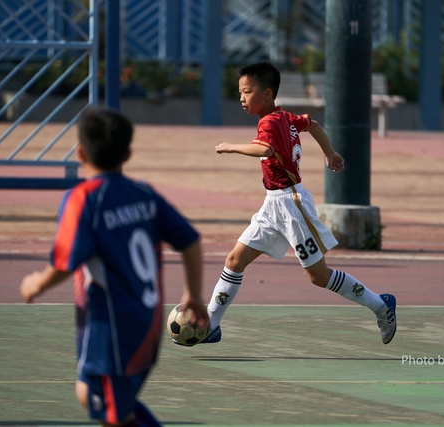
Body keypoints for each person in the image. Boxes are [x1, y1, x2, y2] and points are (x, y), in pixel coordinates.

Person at [20, 107, 209, 427]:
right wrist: (193, 294)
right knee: (94, 394)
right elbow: (190, 241)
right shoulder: (144, 194)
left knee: (111, 413)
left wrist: (37, 283)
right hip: (146, 322)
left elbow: (66, 263)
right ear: (128, 153)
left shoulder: (84, 199)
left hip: (112, 329)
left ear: (80, 152)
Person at [192, 61, 396, 346]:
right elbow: (312, 124)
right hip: (272, 205)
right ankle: (212, 325)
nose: (241, 97)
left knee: (318, 276)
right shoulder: (284, 117)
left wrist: (232, 147)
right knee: (234, 261)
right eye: (240, 92)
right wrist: (330, 153)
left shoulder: (269, 122)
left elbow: (265, 148)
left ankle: (380, 305)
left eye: (247, 91)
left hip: (291, 205)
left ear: (266, 94)